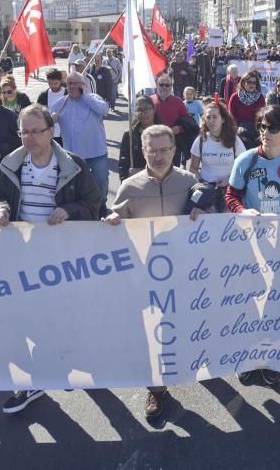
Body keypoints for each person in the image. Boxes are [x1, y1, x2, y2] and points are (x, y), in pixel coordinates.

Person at [0, 104, 102, 414]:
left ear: (51, 131)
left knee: (63, 314)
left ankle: (65, 362)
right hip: (23, 254)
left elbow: (94, 204)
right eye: (23, 131)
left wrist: (71, 211)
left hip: (62, 256)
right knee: (29, 318)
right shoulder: (11, 166)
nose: (28, 137)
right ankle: (36, 379)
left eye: (35, 131)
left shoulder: (74, 165)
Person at [104, 125, 209, 419]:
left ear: (175, 151)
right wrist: (113, 220)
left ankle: (191, 366)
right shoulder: (129, 186)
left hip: (184, 273)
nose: (159, 156)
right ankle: (156, 389)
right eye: (152, 150)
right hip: (147, 277)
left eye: (164, 150)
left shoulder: (190, 181)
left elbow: (208, 222)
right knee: (152, 333)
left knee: (185, 328)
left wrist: (205, 215)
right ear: (143, 151)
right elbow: (116, 227)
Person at [226, 105, 280, 386]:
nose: (265, 133)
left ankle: (274, 356)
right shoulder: (246, 160)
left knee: (278, 300)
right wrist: (242, 211)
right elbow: (231, 195)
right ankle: (248, 356)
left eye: (272, 128)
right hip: (252, 242)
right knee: (251, 300)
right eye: (262, 127)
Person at [55, 72, 110, 204]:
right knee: (74, 187)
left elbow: (103, 110)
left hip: (96, 153)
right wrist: (50, 120)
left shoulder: (93, 98)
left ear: (83, 85)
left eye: (76, 83)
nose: (73, 86)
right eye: (70, 84)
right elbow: (45, 123)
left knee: (101, 181)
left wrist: (85, 95)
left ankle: (101, 206)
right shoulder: (61, 104)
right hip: (73, 156)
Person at [189, 101, 245, 211]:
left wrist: (229, 179)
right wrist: (202, 182)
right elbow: (193, 168)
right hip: (207, 192)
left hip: (230, 191)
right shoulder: (200, 140)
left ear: (223, 119)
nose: (211, 121)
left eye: (215, 117)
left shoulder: (235, 141)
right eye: (208, 117)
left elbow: (244, 167)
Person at [119, 96, 161, 180]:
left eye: (146, 109)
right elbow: (123, 162)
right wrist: (125, 178)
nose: (143, 113)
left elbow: (169, 164)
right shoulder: (130, 134)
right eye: (139, 110)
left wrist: (143, 172)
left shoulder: (163, 134)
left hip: (159, 183)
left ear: (154, 110)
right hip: (135, 183)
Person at [228, 70, 266, 148]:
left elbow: (262, 117)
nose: (251, 84)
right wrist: (237, 133)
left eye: (254, 82)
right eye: (249, 82)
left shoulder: (260, 97)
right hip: (240, 129)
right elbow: (232, 118)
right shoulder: (235, 97)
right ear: (243, 83)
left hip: (256, 130)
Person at [37, 68, 67, 145]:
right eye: (50, 83)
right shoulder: (43, 96)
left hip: (65, 135)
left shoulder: (68, 94)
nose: (53, 86)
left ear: (60, 81)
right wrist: (49, 119)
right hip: (49, 134)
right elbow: (38, 115)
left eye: (56, 83)